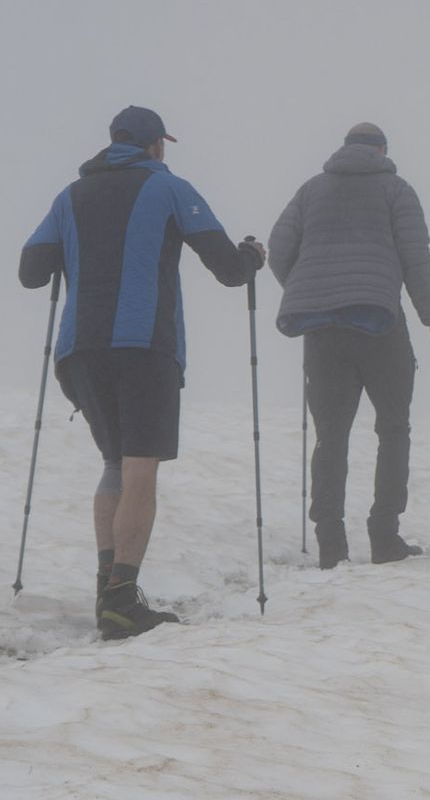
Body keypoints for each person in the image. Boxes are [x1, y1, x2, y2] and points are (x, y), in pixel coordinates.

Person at [19, 106, 265, 637]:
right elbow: (227, 269)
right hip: (143, 347)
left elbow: (31, 272)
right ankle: (123, 600)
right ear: (156, 146)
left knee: (113, 462)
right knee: (139, 467)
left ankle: (107, 592)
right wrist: (251, 258)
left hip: (79, 351)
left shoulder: (70, 196)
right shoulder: (169, 188)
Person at [268, 122, 430, 569]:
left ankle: (331, 543)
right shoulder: (396, 190)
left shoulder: (311, 190)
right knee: (393, 427)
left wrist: (307, 291)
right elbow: (414, 258)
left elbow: (278, 247)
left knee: (330, 436)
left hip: (322, 327)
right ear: (382, 150)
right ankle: (384, 536)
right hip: (378, 322)